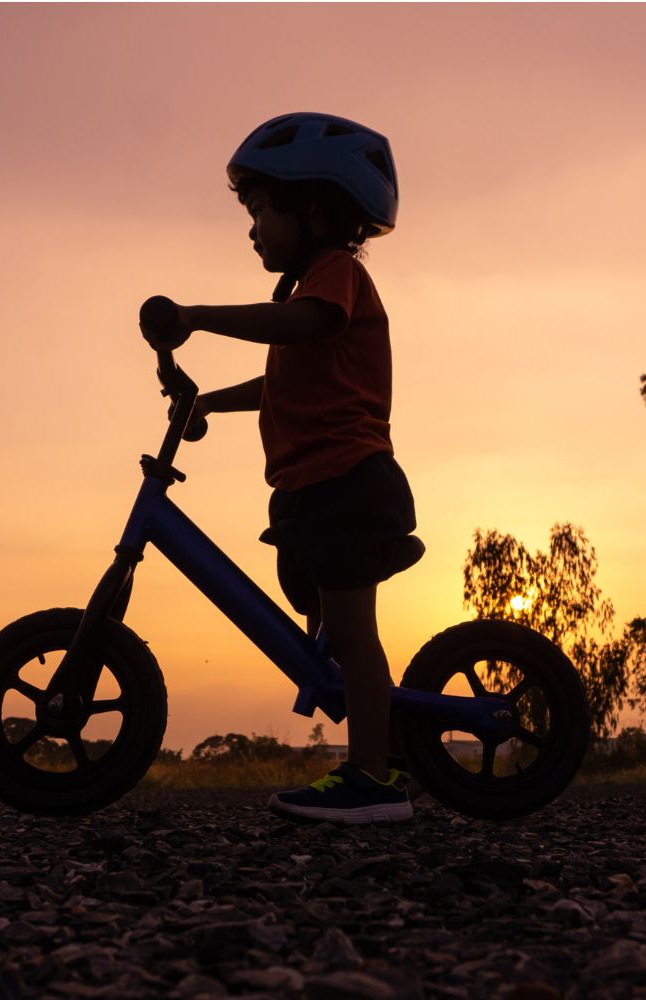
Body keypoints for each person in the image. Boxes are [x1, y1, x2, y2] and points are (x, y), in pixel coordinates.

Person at [140, 113, 422, 824]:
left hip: (349, 482)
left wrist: (197, 315)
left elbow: (299, 329)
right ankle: (381, 742)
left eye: (261, 208)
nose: (252, 227)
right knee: (326, 621)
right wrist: (206, 401)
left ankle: (371, 778)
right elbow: (282, 385)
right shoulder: (308, 296)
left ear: (316, 208)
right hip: (311, 490)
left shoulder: (335, 277)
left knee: (354, 633)